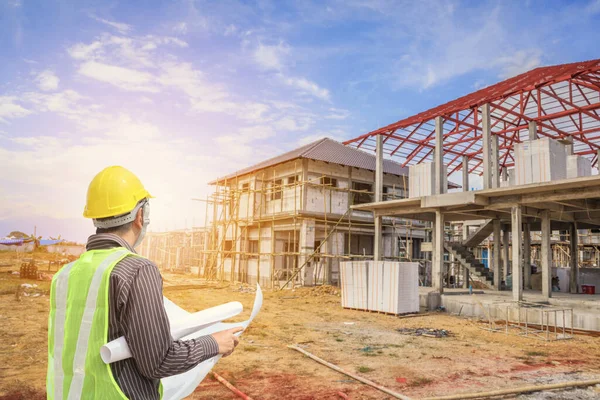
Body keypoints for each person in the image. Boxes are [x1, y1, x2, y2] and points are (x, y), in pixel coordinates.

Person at [47, 166, 242, 399]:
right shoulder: (136, 269)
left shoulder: (65, 274)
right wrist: (214, 343)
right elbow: (158, 361)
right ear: (141, 215)